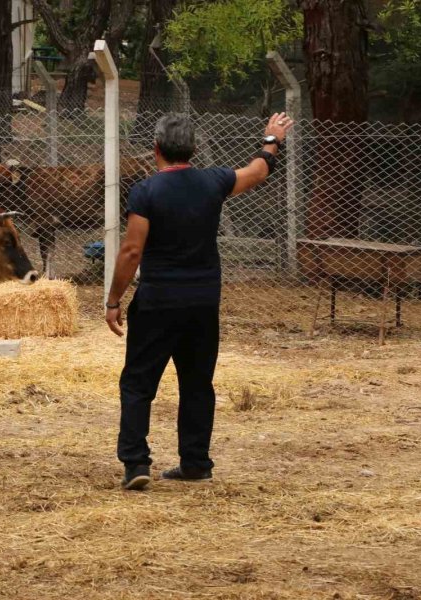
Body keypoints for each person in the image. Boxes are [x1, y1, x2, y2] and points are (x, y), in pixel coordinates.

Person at [107, 112, 295, 490]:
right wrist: (272, 140)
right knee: (197, 382)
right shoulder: (214, 181)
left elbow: (131, 252)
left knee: (138, 383)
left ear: (156, 148)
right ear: (192, 149)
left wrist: (113, 300)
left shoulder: (145, 191)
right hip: (203, 302)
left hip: (158, 302)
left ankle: (136, 463)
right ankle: (195, 463)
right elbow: (258, 171)